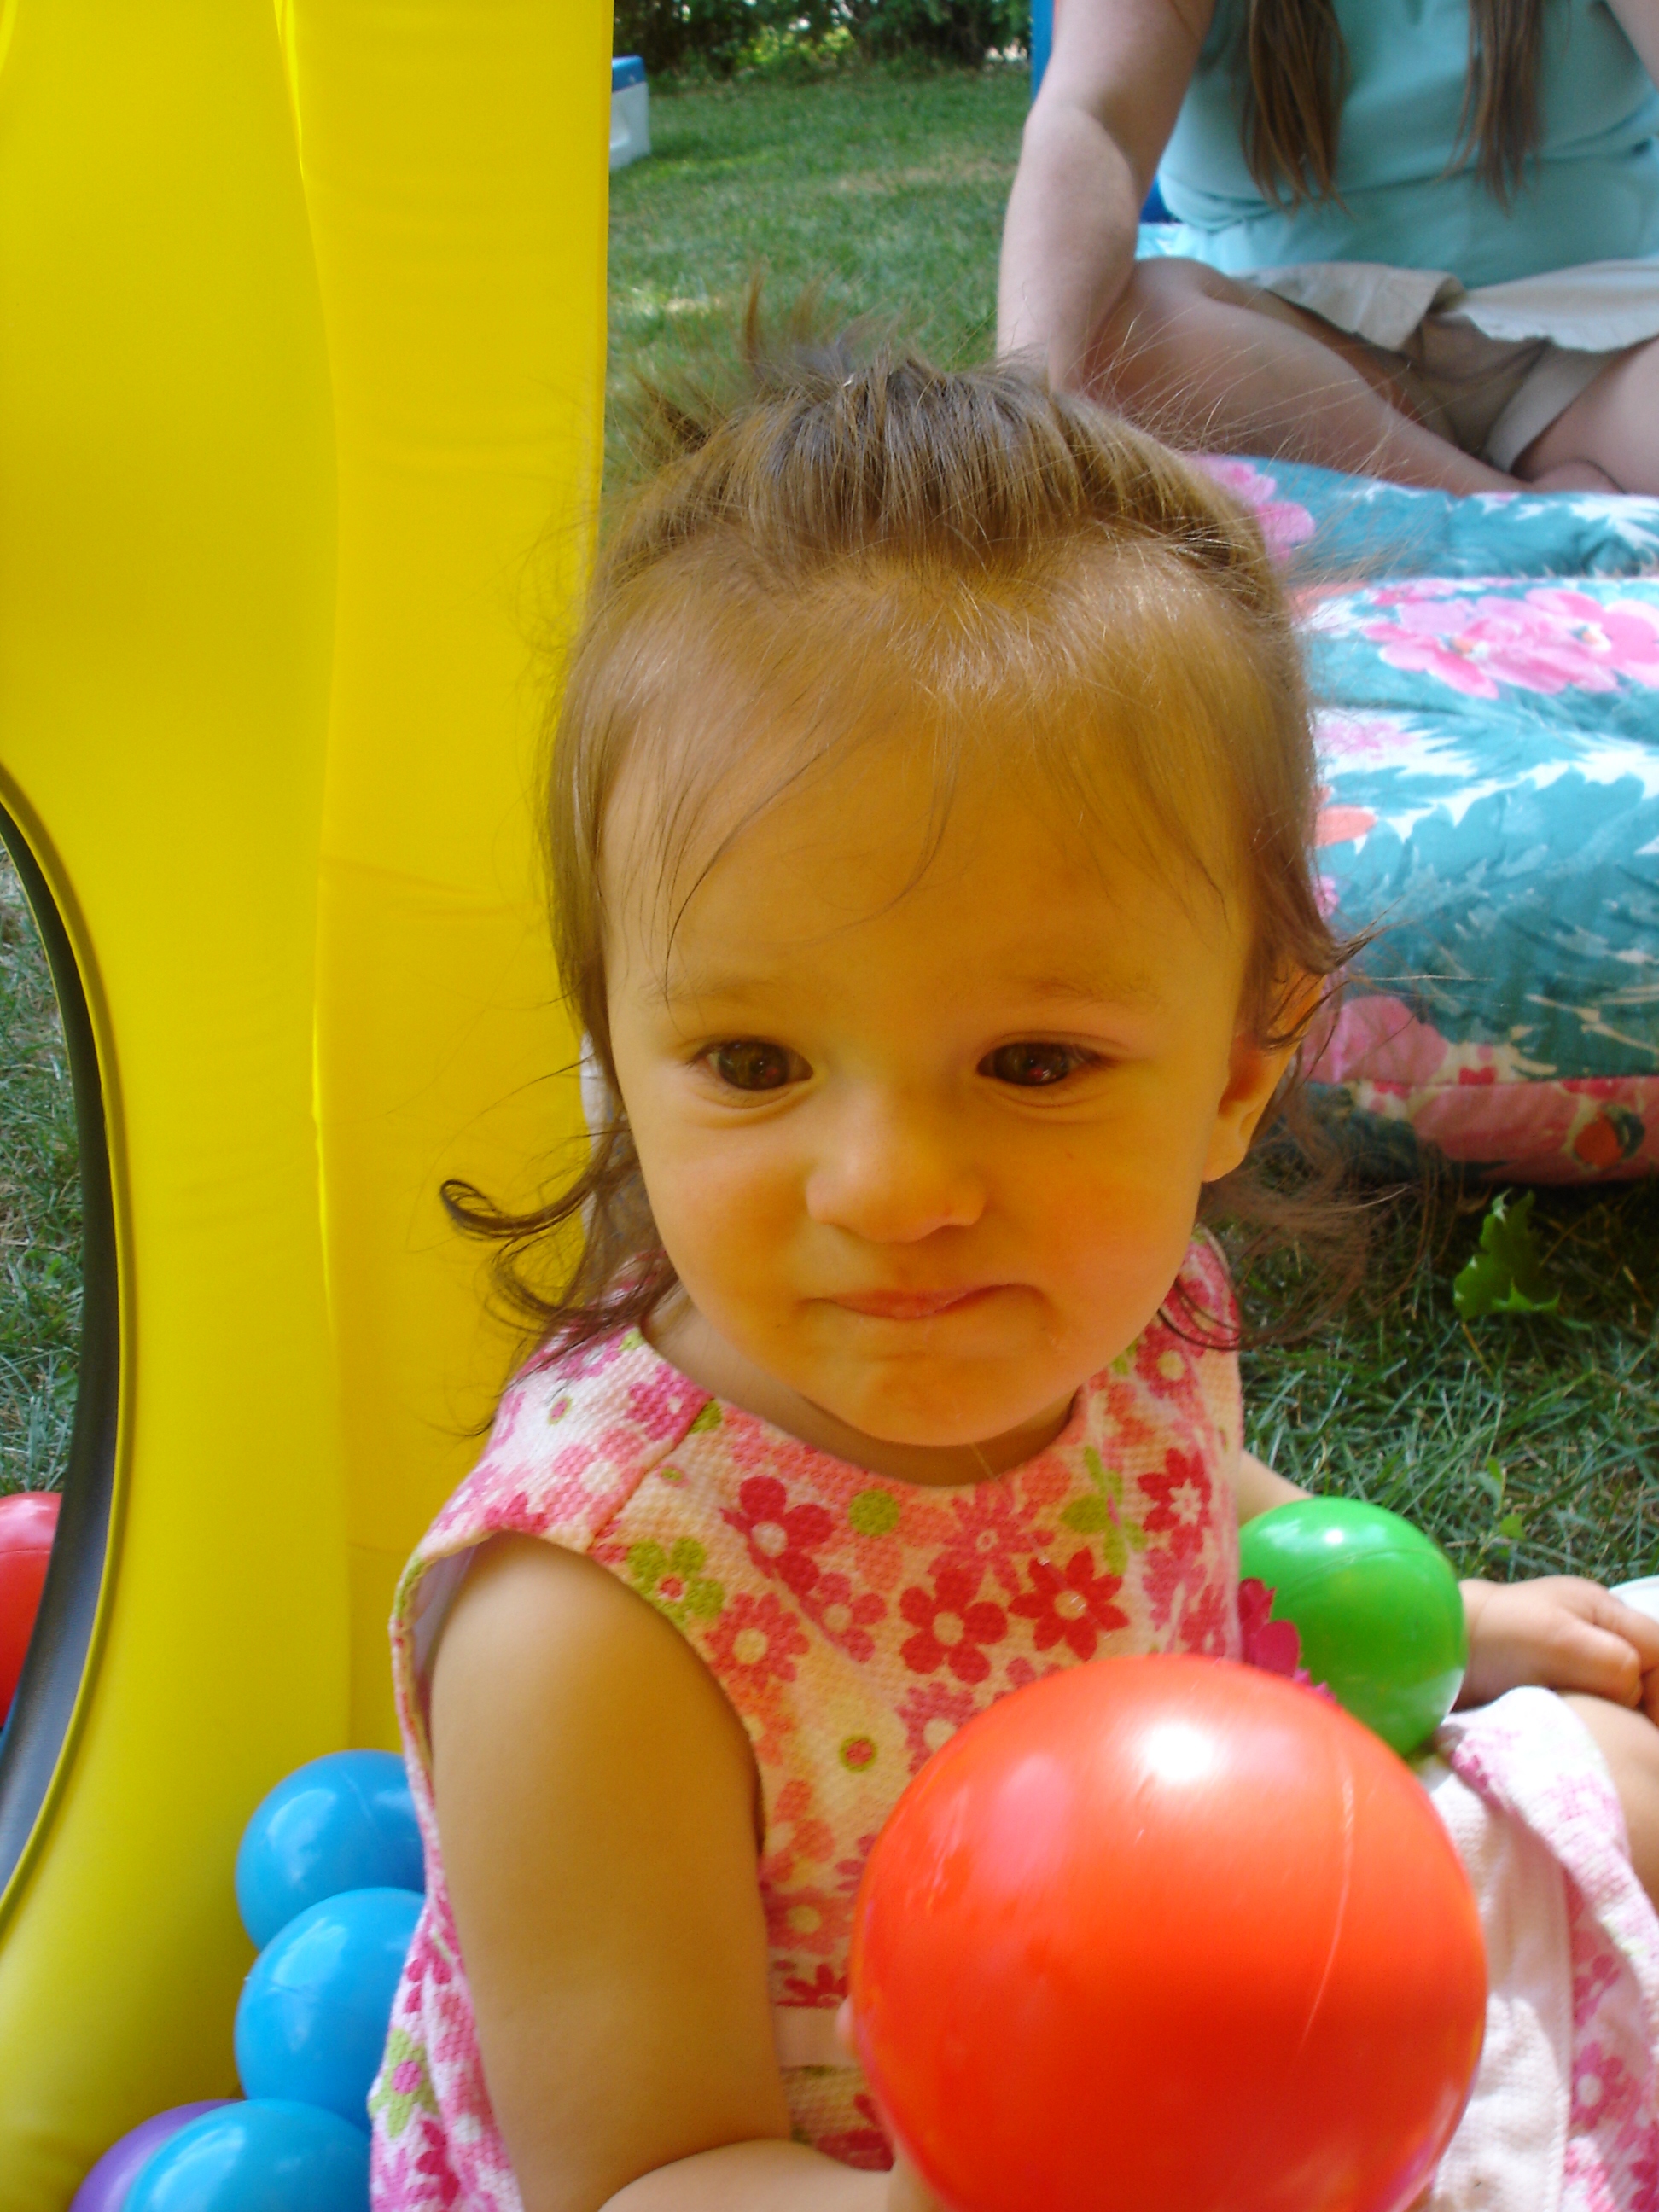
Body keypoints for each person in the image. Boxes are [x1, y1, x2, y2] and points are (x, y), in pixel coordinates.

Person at [366, 343, 1659, 2212]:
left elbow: (1174, 1491)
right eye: (752, 1062)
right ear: (615, 1056)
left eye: (1033, 1064)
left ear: (1239, 1067)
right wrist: (1006, 2172)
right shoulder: (589, 1622)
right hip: (846, 2168)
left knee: (1615, 1775)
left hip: (1192, 1999)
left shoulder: (1114, 1302)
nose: (893, 1190)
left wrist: (1444, 1622)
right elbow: (641, 2172)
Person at [998, 0, 1659, 492]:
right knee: (1112, 342)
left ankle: (1459, 506)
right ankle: (1513, 510)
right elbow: (1095, 124)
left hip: (1594, 346)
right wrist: (1027, 416)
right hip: (1298, 360)